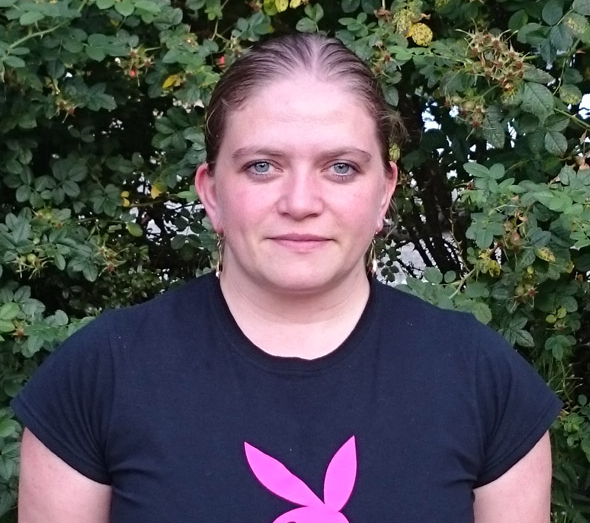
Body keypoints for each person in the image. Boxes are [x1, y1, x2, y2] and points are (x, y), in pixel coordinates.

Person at [12, 33, 561, 523]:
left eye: (341, 167)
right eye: (262, 166)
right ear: (211, 192)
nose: (300, 203)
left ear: (385, 192)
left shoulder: (482, 379)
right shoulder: (99, 375)